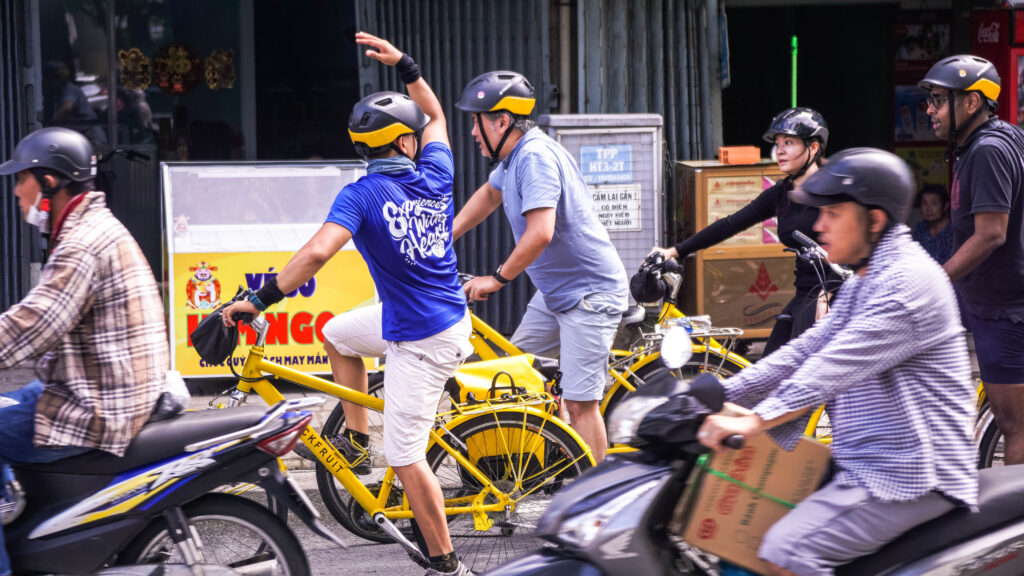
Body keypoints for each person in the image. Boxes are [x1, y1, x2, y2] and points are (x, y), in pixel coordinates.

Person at [221, 32, 473, 576]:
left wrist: (260, 299)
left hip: (423, 340)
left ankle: (446, 563)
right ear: (405, 143)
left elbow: (316, 253)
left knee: (405, 456)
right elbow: (436, 117)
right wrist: (407, 65)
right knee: (336, 332)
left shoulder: (361, 194)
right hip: (434, 317)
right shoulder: (436, 174)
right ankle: (356, 441)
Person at [696, 148, 977, 576]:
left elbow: (831, 368)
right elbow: (808, 349)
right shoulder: (867, 279)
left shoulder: (905, 284)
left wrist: (754, 420)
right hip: (867, 458)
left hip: (910, 473)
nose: (818, 225)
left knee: (783, 549)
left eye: (831, 213)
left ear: (874, 220)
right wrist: (720, 394)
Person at [0, 127, 169, 575]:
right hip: (94, 387)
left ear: (49, 182)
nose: (16, 190)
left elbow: (33, 325)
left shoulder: (80, 243)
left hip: (98, 405)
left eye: (22, 179)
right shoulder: (91, 226)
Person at [452, 70, 628, 463]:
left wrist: (496, 279)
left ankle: (596, 501)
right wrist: (446, 236)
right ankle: (555, 459)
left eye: (477, 122)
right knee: (518, 378)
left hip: (589, 295)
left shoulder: (534, 157)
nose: (473, 133)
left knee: (582, 403)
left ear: (502, 121)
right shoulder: (514, 157)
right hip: (556, 295)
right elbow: (488, 194)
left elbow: (540, 234)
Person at [649, 108, 839, 356]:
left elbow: (854, 250)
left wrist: (827, 295)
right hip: (804, 293)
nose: (779, 150)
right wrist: (674, 251)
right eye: (778, 144)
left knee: (800, 376)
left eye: (789, 143)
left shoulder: (834, 192)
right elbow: (731, 223)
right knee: (771, 367)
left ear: (813, 148)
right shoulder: (782, 193)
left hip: (831, 295)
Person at [920, 55, 1024, 465]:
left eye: (939, 100)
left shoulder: (987, 151)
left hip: (1004, 309)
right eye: (930, 100)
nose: (930, 109)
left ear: (972, 103)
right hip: (986, 302)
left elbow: (991, 233)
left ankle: (1015, 524)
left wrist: (935, 279)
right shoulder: (994, 141)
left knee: (1015, 427)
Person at [911, 184, 954, 264]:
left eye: (934, 203)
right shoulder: (919, 229)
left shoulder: (954, 231)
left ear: (945, 206)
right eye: (924, 204)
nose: (929, 209)